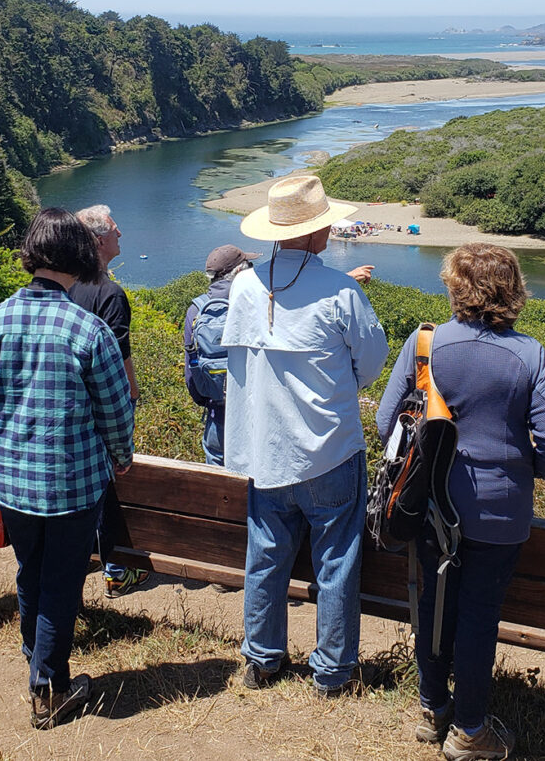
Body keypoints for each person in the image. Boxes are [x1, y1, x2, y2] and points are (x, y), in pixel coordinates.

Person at [375, 243, 545, 761]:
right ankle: (469, 730)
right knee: (478, 615)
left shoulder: (423, 344)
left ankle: (432, 710)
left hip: (430, 506)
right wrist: (522, 470)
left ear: (455, 287)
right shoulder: (527, 354)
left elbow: (385, 425)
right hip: (498, 510)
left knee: (433, 604)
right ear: (512, 291)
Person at [223, 174, 389, 697]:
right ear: (318, 233)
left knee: (266, 556)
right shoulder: (342, 290)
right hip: (331, 450)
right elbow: (372, 363)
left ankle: (262, 657)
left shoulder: (245, 285)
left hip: (265, 450)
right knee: (336, 561)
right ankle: (333, 671)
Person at [0, 208, 135, 730]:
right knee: (62, 581)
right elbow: (115, 411)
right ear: (78, 255)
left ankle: (33, 651)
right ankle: (50, 687)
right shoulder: (89, 330)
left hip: (12, 481)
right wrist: (122, 458)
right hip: (72, 483)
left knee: (30, 571)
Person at [69, 204, 145, 597]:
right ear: (100, 240)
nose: (121, 235)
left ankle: (86, 558)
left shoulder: (66, 286)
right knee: (113, 481)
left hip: (72, 405)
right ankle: (117, 568)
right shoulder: (109, 292)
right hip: (106, 401)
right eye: (116, 230)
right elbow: (118, 353)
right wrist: (132, 391)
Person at [183, 244, 258, 467]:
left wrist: (208, 399)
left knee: (218, 482)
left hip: (217, 413)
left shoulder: (197, 309)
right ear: (239, 272)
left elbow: (191, 370)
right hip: (253, 413)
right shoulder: (254, 302)